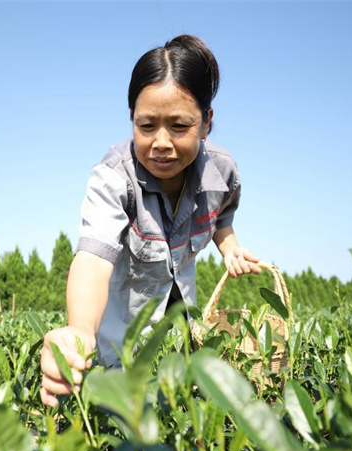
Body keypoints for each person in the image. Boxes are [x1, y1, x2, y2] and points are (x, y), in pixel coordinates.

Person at [40, 35, 261, 407]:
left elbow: (221, 216)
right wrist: (79, 329)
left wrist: (230, 248)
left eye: (179, 126)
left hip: (180, 323)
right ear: (131, 120)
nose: (161, 142)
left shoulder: (223, 172)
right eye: (146, 126)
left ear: (206, 123)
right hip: (122, 334)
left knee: (183, 411)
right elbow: (93, 259)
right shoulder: (113, 178)